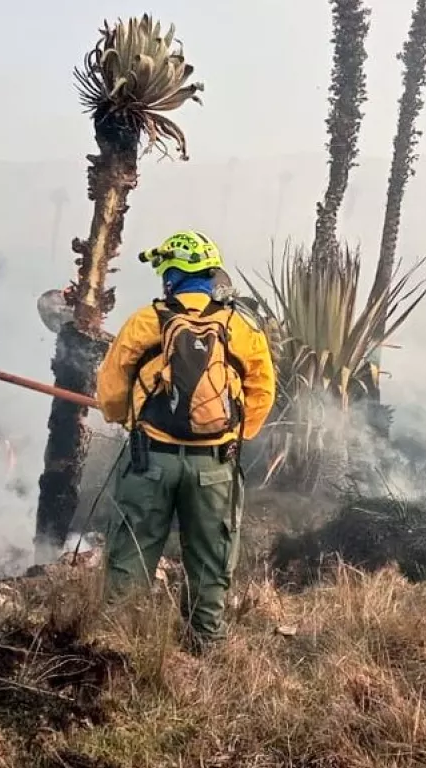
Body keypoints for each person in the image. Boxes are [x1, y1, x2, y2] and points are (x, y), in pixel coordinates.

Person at [95, 230, 276, 650]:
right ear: (210, 276)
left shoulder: (146, 321)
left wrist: (128, 421)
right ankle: (205, 650)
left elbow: (111, 390)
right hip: (214, 466)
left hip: (150, 461)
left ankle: (117, 653)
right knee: (211, 560)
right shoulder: (239, 326)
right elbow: (263, 391)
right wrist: (233, 435)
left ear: (171, 275)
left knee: (130, 556)